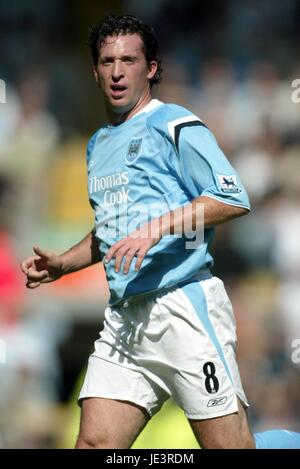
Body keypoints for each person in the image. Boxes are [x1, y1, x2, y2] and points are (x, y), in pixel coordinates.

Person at [21, 15, 300, 449]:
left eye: (129, 60)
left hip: (183, 307)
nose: (117, 71)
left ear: (150, 67)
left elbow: (231, 196)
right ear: (94, 71)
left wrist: (155, 229)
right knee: (94, 445)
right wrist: (63, 264)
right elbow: (111, 232)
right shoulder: (97, 144)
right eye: (107, 61)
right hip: (125, 319)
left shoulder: (173, 124)